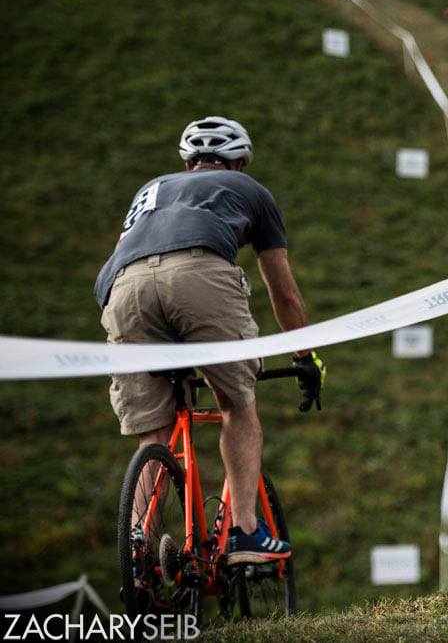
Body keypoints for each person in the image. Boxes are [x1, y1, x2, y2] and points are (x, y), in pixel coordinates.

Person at [94, 116, 325, 564]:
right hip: (199, 274)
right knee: (236, 404)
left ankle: (139, 546)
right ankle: (244, 531)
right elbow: (284, 292)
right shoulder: (252, 191)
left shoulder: (151, 189)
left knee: (153, 432)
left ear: (187, 162)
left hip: (122, 290)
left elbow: (128, 258)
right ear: (239, 163)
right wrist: (305, 356)